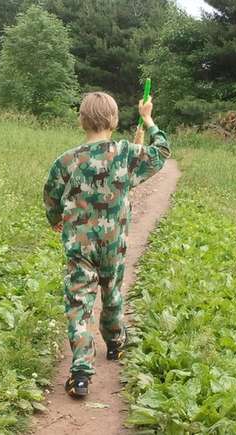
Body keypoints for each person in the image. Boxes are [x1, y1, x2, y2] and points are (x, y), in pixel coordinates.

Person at [43, 91, 171, 398]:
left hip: (80, 246)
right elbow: (161, 152)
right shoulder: (126, 153)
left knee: (78, 303)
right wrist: (148, 118)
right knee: (112, 292)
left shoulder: (66, 160)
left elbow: (51, 195)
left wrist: (56, 219)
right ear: (113, 120)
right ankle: (115, 343)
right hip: (113, 244)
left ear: (81, 120)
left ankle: (81, 372)